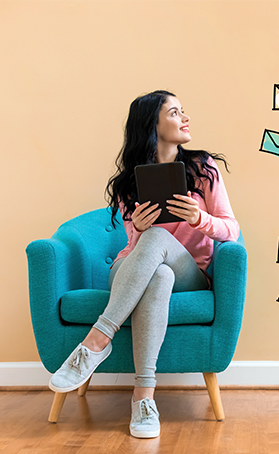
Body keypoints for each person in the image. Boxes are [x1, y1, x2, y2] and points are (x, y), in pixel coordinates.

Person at [48, 90, 240, 438]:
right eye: (175, 112)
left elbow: (231, 229)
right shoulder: (129, 182)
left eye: (184, 111)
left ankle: (95, 342)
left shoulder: (203, 168)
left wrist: (200, 219)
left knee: (160, 248)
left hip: (190, 273)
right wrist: (136, 227)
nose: (185, 118)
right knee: (158, 273)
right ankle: (143, 398)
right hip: (135, 269)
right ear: (153, 123)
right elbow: (133, 248)